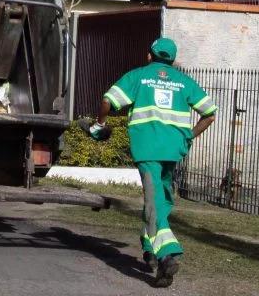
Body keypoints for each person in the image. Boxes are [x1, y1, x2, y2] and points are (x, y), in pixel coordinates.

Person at [80, 37, 217, 288]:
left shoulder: (139, 76)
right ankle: (149, 249)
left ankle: (167, 254)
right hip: (174, 150)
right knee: (162, 201)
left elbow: (108, 100)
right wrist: (188, 135)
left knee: (154, 204)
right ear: (173, 60)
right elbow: (209, 113)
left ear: (149, 56)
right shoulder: (183, 81)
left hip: (147, 150)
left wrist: (99, 124)